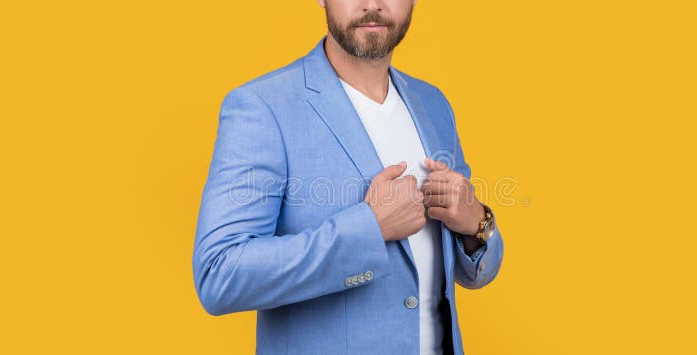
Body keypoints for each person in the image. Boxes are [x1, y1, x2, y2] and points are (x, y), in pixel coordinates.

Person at [192, 1, 504, 354]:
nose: (372, 5)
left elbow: (475, 272)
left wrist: (478, 223)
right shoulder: (263, 108)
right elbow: (219, 275)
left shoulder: (432, 104)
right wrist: (370, 228)